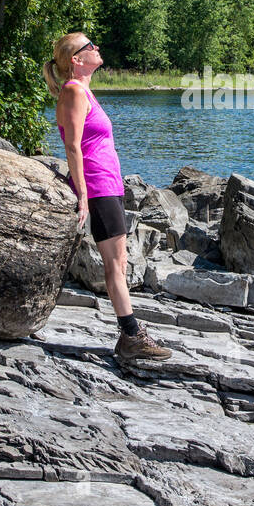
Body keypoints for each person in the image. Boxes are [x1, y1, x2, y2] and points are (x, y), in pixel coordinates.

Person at [42, 33, 172, 361]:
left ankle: (130, 335)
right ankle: (130, 336)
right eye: (91, 47)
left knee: (121, 261)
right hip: (97, 187)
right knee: (115, 263)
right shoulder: (73, 92)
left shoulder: (84, 91)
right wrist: (82, 196)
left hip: (109, 185)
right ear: (76, 59)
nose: (97, 49)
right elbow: (72, 146)